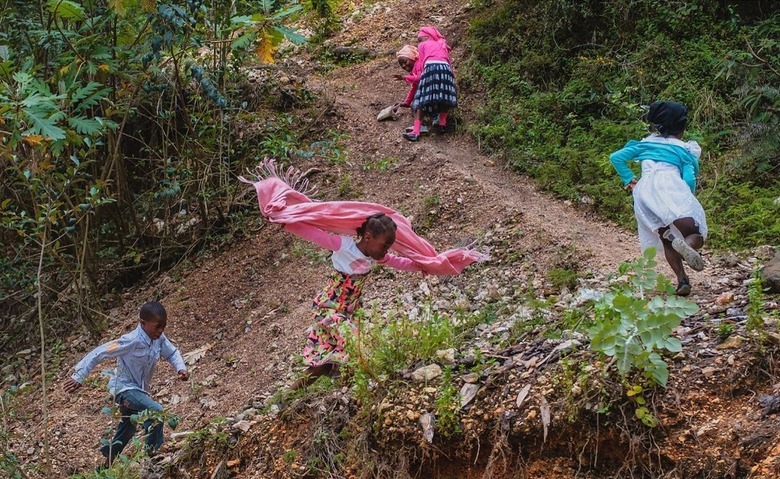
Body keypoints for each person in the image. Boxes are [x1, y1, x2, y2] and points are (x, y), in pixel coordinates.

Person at [285, 213, 423, 389]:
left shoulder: (376, 257)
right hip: (330, 308)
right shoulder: (345, 246)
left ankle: (284, 401)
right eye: (385, 245)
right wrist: (286, 224)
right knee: (356, 344)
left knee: (324, 365)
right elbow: (315, 235)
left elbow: (400, 262)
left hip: (350, 311)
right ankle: (376, 388)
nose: (387, 250)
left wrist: (425, 266)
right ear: (368, 237)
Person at [63, 301, 189, 468]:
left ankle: (104, 468)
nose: (161, 331)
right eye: (157, 326)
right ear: (143, 323)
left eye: (164, 326)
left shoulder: (159, 339)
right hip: (123, 389)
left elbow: (172, 353)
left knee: (127, 430)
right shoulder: (130, 340)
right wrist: (79, 375)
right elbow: (100, 352)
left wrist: (180, 368)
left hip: (140, 391)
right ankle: (151, 458)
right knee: (156, 412)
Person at [610, 100, 707, 296]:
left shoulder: (644, 144)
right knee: (694, 232)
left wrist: (630, 180)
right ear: (681, 129)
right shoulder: (683, 150)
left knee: (666, 238)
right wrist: (687, 198)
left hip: (645, 194)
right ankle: (687, 247)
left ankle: (682, 281)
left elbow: (616, 157)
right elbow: (689, 178)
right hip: (671, 190)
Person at [398, 26, 457, 142]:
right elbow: (448, 61)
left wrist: (407, 78)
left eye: (420, 39)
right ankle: (442, 124)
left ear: (426, 37)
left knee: (419, 100)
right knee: (443, 95)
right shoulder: (441, 44)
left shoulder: (422, 46)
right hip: (446, 69)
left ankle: (416, 131)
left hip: (430, 66)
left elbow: (423, 62)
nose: (418, 41)